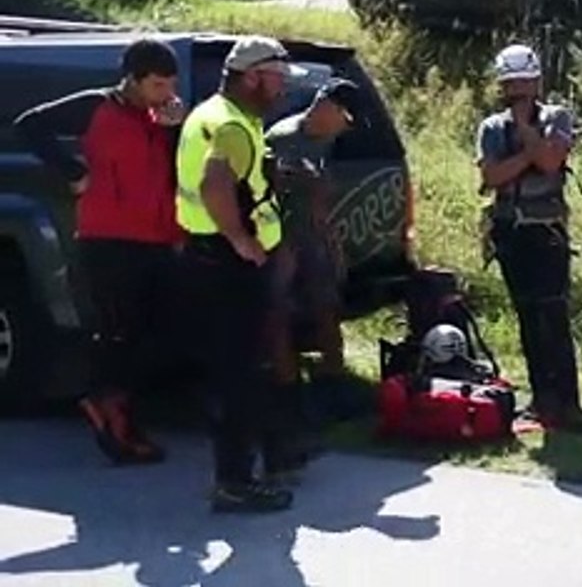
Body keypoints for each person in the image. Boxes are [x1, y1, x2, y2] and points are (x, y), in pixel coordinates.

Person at [13, 38, 186, 465]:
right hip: (108, 235)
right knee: (118, 328)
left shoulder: (159, 117)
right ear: (133, 79)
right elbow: (29, 125)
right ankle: (114, 416)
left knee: (155, 331)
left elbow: (175, 170)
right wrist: (72, 169)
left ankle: (113, 405)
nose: (166, 94)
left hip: (157, 235)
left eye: (170, 85)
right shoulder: (96, 106)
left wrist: (174, 129)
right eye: (158, 85)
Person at [175, 35, 303, 512]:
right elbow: (215, 184)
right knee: (240, 372)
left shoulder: (212, 113)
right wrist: (240, 240)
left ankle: (265, 457)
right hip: (228, 262)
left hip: (209, 256)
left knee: (238, 366)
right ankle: (235, 482)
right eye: (277, 78)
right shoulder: (230, 125)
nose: (283, 87)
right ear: (252, 77)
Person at [475, 43, 582, 434]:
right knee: (527, 316)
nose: (518, 91)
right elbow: (492, 177)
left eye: (524, 83)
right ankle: (542, 400)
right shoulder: (492, 128)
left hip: (547, 231)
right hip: (510, 231)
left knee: (554, 316)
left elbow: (549, 161)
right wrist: (531, 154)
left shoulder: (556, 117)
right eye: (511, 84)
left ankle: (569, 403)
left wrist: (528, 136)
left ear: (538, 82)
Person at [263, 77, 358, 471]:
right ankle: (289, 397)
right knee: (280, 315)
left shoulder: (327, 139)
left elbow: (321, 198)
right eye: (345, 118)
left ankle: (334, 386)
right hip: (280, 238)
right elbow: (265, 193)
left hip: (312, 235)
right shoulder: (282, 139)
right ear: (326, 108)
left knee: (326, 307)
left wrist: (333, 244)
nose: (346, 127)